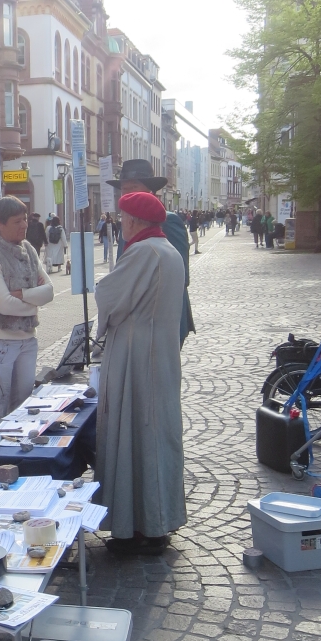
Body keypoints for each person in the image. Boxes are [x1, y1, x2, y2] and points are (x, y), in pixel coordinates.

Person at [93, 191, 186, 556]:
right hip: (159, 353)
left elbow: (110, 296)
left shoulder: (142, 252)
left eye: (122, 219)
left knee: (134, 433)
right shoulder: (169, 251)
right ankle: (155, 521)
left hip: (136, 355)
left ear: (133, 221)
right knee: (156, 433)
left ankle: (140, 525)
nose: (120, 226)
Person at [0, 197, 54, 431]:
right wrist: (33, 300)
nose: (24, 226)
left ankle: (14, 460)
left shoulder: (28, 248)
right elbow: (4, 305)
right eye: (17, 221)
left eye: (25, 220)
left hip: (27, 340)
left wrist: (23, 294)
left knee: (22, 408)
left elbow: (49, 291)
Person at [108, 159, 195, 347]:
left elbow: (180, 275)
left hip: (163, 320)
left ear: (150, 191)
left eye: (134, 186)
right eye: (124, 188)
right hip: (133, 321)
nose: (128, 192)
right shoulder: (127, 222)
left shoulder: (167, 221)